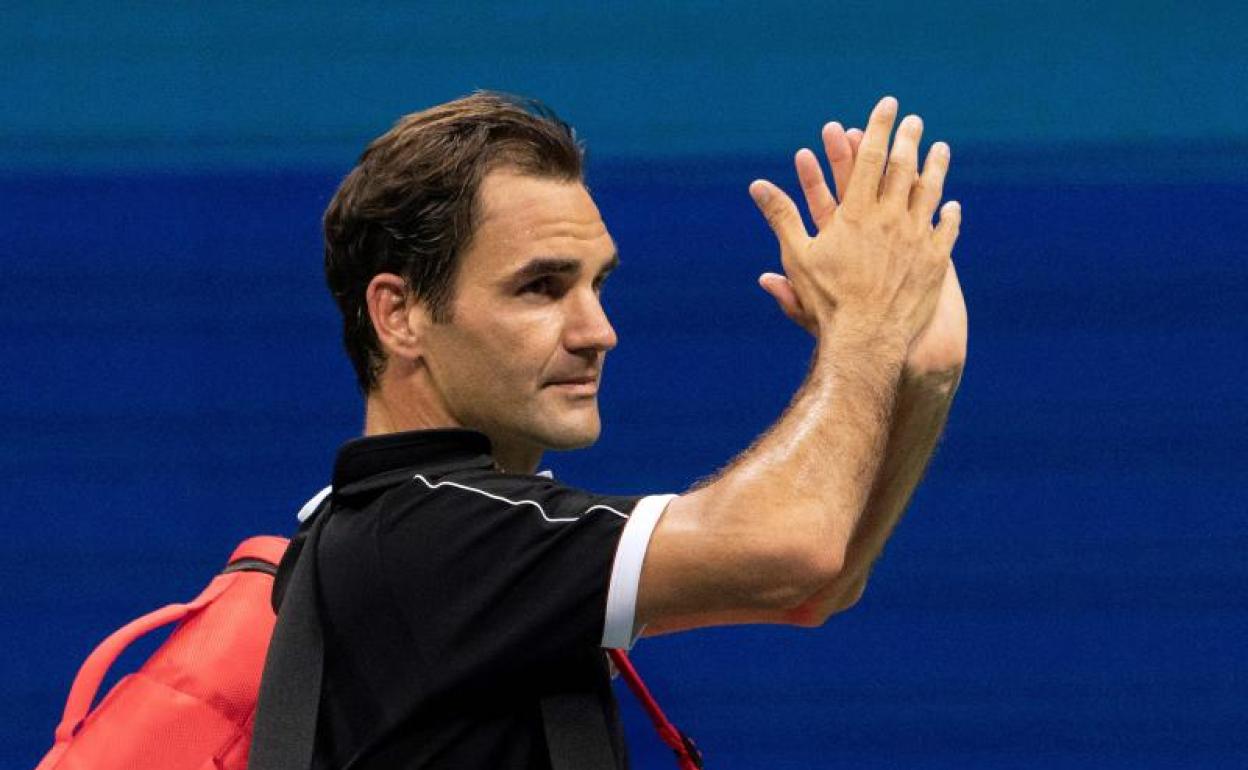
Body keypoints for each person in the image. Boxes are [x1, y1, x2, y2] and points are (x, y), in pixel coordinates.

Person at [259, 89, 965, 769]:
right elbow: (791, 546)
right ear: (399, 315)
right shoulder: (426, 530)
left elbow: (811, 589)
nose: (598, 331)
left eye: (596, 285)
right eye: (541, 287)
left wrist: (925, 375)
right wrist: (865, 324)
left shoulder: (426, 539)